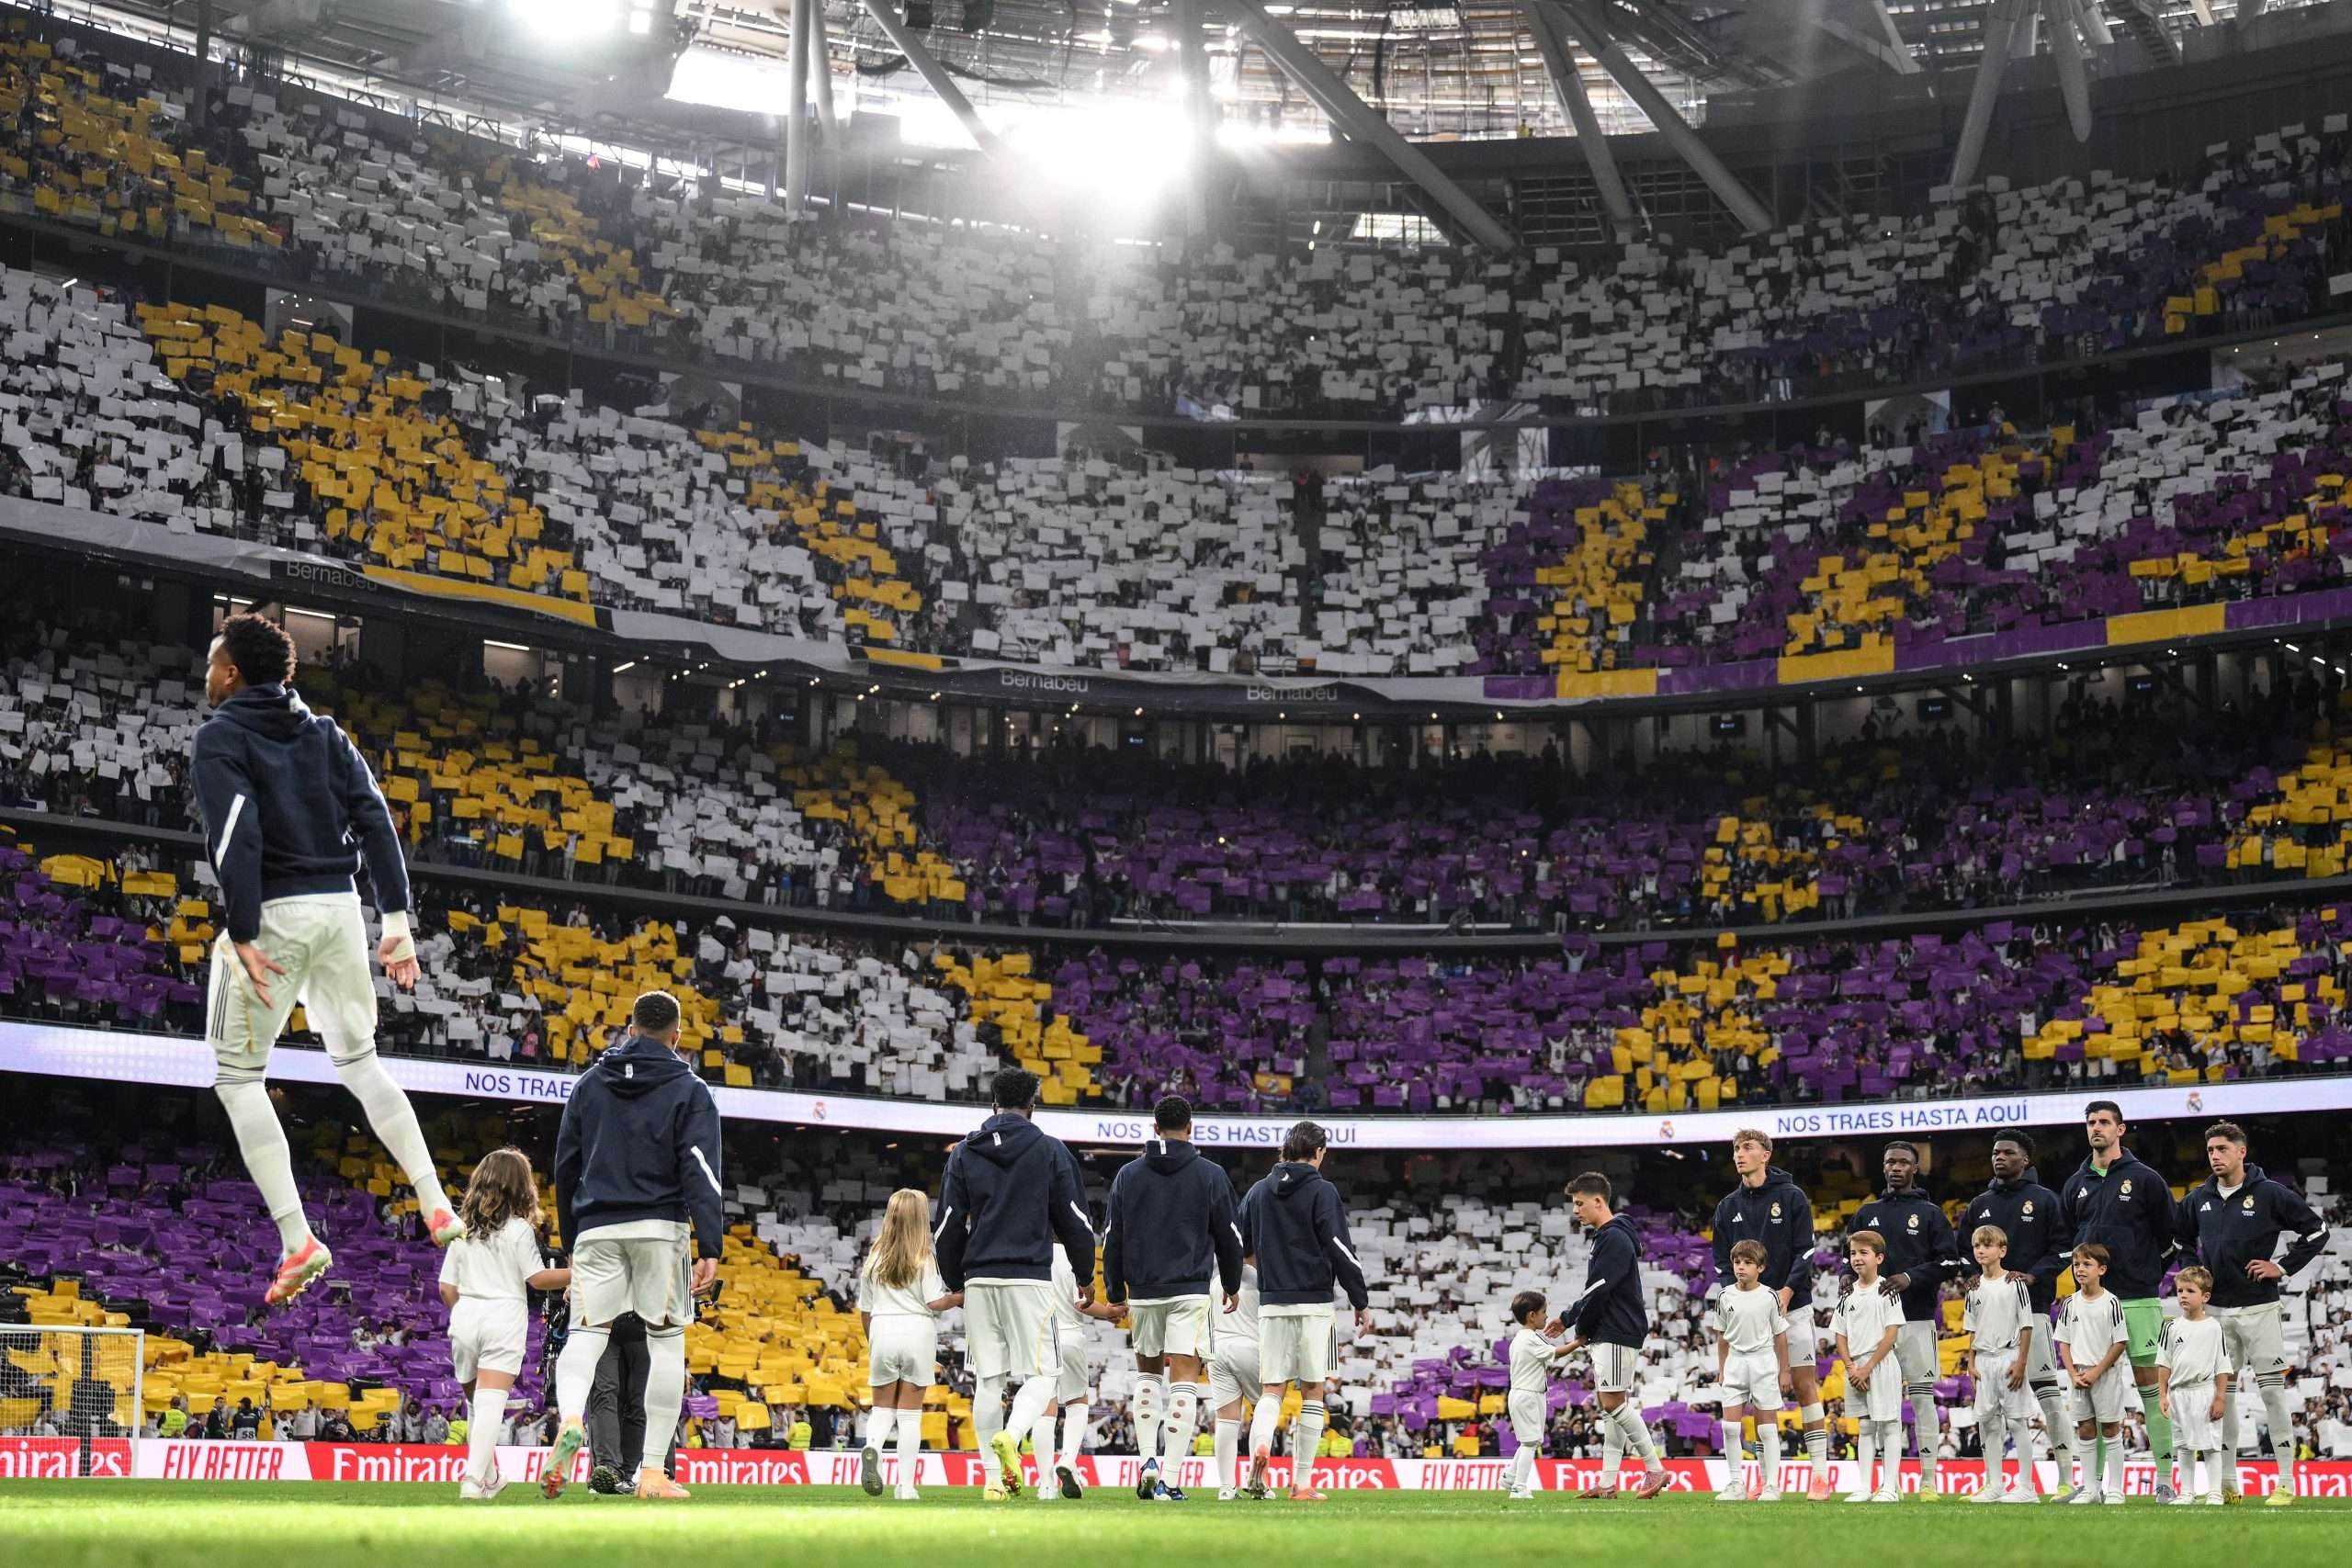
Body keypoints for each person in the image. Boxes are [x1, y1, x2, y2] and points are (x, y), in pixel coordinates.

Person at [192, 612, 460, 1303]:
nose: (207, 671)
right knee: (362, 1065)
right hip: (341, 910)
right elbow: (374, 818)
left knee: (238, 1076)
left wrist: (243, 928)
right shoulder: (325, 733)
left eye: (212, 660)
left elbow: (236, 833)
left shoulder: (220, 735)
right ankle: (435, 1201)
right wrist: (396, 919)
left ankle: (296, 1237)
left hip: (276, 911)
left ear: (230, 672)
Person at [542, 989, 723, 1503]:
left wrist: (572, 1238)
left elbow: (565, 1166)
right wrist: (709, 1240)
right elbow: (700, 1168)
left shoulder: (588, 1085)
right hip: (659, 1227)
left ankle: (572, 1417)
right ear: (678, 1035)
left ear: (630, 1028)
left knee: (584, 1334)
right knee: (666, 1343)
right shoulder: (690, 1089)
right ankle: (650, 1473)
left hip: (597, 1225)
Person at [935, 1066, 1097, 1503]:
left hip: (980, 1279)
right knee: (1046, 1371)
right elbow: (1076, 1221)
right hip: (1028, 1276)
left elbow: (948, 1224)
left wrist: (954, 1280)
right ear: (1033, 1105)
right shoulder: (1049, 1150)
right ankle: (1011, 1435)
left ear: (993, 1104)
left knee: (989, 1379)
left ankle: (993, 1480)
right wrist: (1085, 1274)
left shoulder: (965, 1152)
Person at [2173, 1119, 2329, 1505]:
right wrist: (2195, 1272)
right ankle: (2226, 1485)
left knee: (2272, 1395)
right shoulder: (2198, 1199)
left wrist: (2283, 1266)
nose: (2215, 1156)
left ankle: (2286, 1483)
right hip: (2218, 1313)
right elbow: (2180, 1239)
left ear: (2242, 1152)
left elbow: (2317, 1231)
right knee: (2220, 1398)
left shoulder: (2271, 1193)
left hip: (2260, 1308)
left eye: (2222, 1149)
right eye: (2210, 1150)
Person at [1102, 1094, 1245, 1502]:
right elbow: (1230, 1237)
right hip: (1191, 1291)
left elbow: (1112, 1237)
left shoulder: (1128, 1175)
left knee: (1147, 1376)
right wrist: (1232, 1283)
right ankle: (1170, 1476)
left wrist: (1114, 1291)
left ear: (1154, 1128)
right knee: (1184, 1379)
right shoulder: (1211, 1174)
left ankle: (1147, 1459)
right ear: (1191, 1128)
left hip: (1145, 1292)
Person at [1239, 1121, 1370, 1503]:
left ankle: (1262, 1445)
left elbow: (1240, 1245)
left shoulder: (1259, 1191)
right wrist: (1359, 1300)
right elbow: (1338, 1247)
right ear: (1318, 1153)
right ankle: (1301, 1484)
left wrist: (1245, 1281)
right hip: (1314, 1303)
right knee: (1313, 1391)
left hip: (1273, 1302)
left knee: (1272, 1390)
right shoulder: (1322, 1190)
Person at [2058, 1100, 2177, 1499]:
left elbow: (2169, 1237)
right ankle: (2091, 1486)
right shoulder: (2075, 1184)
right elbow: (2069, 1237)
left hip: (2138, 1299)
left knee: (2151, 1388)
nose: (2097, 1128)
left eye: (2104, 1122)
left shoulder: (2145, 1179)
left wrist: (2146, 1275)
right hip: (2090, 1304)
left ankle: (2164, 1479)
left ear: (2121, 1129)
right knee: (2090, 1394)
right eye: (2091, 1122)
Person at [437, 1146, 570, 1501]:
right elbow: (538, 1280)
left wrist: (463, 1314)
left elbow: (446, 1288)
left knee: (478, 1407)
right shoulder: (519, 1230)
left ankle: (491, 1476)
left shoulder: (460, 1229)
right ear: (521, 1187)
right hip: (504, 1317)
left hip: (465, 1317)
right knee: (490, 1404)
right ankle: (471, 1480)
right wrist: (580, 1272)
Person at [1711, 1130, 1832, 1498]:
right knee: (1754, 1394)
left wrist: (1786, 1290)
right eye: (1735, 1149)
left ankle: (1821, 1475)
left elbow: (1805, 1253)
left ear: (1766, 1154)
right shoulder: (1727, 1206)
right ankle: (1765, 1480)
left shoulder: (1792, 1197)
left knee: (1803, 1384)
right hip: (1749, 1314)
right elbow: (1720, 1262)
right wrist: (1743, 1297)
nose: (1739, 1154)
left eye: (1747, 1148)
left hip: (1792, 1306)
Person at [1960, 1131, 2075, 1498]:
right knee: (1990, 1411)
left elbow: (2063, 1250)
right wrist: (1971, 1277)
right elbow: (1963, 1251)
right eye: (1995, 1152)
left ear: (2025, 1160)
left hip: (2033, 1312)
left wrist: (2033, 1275)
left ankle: (2065, 1479)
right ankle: (1994, 1482)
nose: (2000, 1157)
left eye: (2009, 1152)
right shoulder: (1980, 1203)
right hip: (1990, 1320)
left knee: (2047, 1397)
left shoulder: (2045, 1200)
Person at [1546, 1171, 1671, 1502]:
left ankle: (1655, 1468)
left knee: (1613, 1403)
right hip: (1613, 1328)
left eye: (1579, 1203)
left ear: (1598, 1201)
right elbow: (1596, 1289)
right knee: (1611, 1407)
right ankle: (1607, 1482)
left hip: (1615, 1329)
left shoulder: (1612, 1238)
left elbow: (1600, 1290)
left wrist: (1577, 1324)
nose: (1575, 1210)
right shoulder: (1610, 1236)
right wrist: (1570, 1318)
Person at [1846, 1140, 1958, 1497]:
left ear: (1914, 1169)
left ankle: (1927, 1481)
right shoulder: (1867, 1213)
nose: (1896, 1167)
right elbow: (1848, 1258)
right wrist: (1845, 1277)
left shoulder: (1930, 1213)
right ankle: (1876, 1483)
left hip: (1916, 1319)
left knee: (1922, 1398)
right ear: (1883, 1167)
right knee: (1874, 1409)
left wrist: (1911, 1278)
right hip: (1872, 1330)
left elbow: (1950, 1262)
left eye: (1903, 1162)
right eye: (1890, 1162)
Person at [857, 1188, 960, 1501]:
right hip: (917, 1331)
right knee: (910, 1416)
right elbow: (935, 1301)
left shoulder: (874, 1258)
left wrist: (873, 1341)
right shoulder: (924, 1257)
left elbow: (865, 1310)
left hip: (882, 1329)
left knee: (882, 1409)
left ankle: (873, 1447)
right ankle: (905, 1486)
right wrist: (960, 1297)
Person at [1959, 1224, 2038, 1505]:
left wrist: (2021, 1362)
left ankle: (2027, 1487)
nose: (1981, 1250)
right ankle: (1994, 1484)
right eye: (1977, 1245)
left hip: (2008, 1357)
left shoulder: (2014, 1284)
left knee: (2017, 1422)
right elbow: (1972, 1328)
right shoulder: (1974, 1287)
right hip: (1984, 1360)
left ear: (2002, 1250)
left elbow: (2027, 1325)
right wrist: (1971, 1362)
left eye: (1987, 1245)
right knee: (1988, 1424)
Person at [1710, 1239, 1791, 1505]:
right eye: (1737, 1262)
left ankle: (1772, 1484)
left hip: (1763, 1362)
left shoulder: (1769, 1296)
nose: (1741, 1267)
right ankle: (1736, 1484)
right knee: (1730, 1427)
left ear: (1761, 1267)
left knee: (1766, 1429)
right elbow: (1722, 1337)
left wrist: (1784, 1371)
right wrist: (1722, 1369)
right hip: (1735, 1362)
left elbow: (1780, 1335)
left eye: (1747, 1263)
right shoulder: (1724, 1296)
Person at [2055, 1241, 2132, 1506]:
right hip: (2078, 1374)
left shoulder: (2111, 1303)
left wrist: (2097, 1372)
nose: (2080, 1269)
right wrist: (2073, 1374)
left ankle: (2115, 1489)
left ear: (2102, 1269)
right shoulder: (2069, 1304)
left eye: (2087, 1264)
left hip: (2104, 1374)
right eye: (2076, 1264)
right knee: (2085, 1428)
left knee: (2110, 1428)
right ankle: (2090, 1488)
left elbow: (2120, 1342)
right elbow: (2063, 1342)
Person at [1833, 1229, 1904, 1505]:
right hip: (1856, 1367)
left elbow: (1892, 1333)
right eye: (1853, 1253)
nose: (1857, 1258)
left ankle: (1889, 1487)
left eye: (1864, 1253)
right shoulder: (1846, 1293)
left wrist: (1867, 1367)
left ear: (1879, 1258)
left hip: (1881, 1364)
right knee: (1864, 1427)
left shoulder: (1887, 1290)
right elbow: (1839, 1334)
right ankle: (1864, 1486)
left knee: (1888, 1425)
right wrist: (1852, 1367)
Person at [2157, 1267, 2233, 1508]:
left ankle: (2214, 1492)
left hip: (2204, 1391)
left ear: (2205, 1297)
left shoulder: (2214, 1328)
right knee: (2184, 1445)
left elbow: (2222, 1366)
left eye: (2190, 1291)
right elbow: (2163, 1363)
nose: (2183, 1295)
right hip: (2179, 1393)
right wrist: (2163, 1394)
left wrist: (2220, 1397)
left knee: (2211, 1445)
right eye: (2180, 1290)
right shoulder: (2170, 1327)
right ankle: (2187, 1492)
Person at [1504, 1290, 1574, 1501]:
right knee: (1530, 1442)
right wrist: (1579, 1342)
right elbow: (1556, 1353)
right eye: (1544, 1312)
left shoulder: (1521, 1338)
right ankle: (1519, 1487)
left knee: (1530, 1440)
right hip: (1528, 1394)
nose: (1546, 1316)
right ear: (1531, 1315)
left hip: (1523, 1393)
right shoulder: (1530, 1339)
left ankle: (1510, 1476)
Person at [1208, 1259, 1262, 1501]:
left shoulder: (1216, 1278)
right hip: (1251, 1346)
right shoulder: (1260, 1278)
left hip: (1217, 1349)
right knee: (1263, 1411)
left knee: (1226, 1421)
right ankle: (1259, 1481)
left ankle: (1226, 1487)